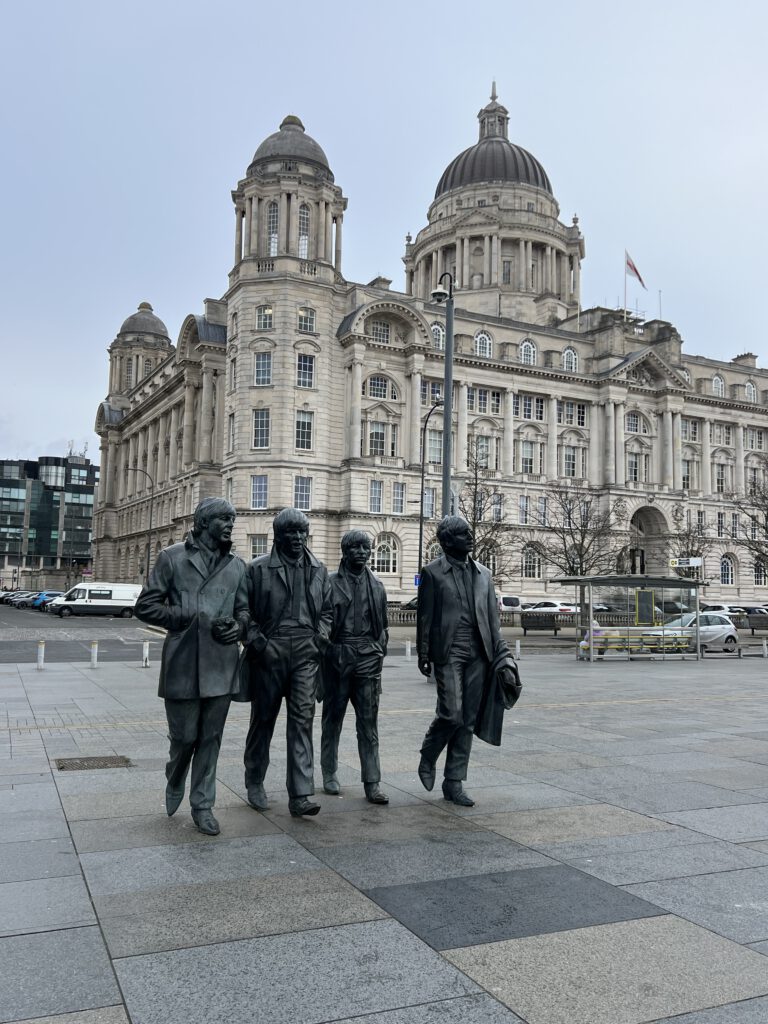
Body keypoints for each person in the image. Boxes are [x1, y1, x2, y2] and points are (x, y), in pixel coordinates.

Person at [134, 497, 248, 836]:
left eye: (232, 519)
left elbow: (245, 611)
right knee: (184, 738)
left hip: (222, 662)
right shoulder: (172, 558)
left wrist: (239, 627)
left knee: (211, 738)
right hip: (183, 661)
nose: (230, 525)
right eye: (224, 519)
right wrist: (180, 616)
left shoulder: (238, 566)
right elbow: (146, 606)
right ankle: (176, 775)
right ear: (203, 522)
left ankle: (203, 805)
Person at [243, 508, 333, 817]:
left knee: (302, 722)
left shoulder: (319, 569)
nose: (297, 538)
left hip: (306, 654)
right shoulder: (257, 569)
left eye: (301, 531)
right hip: (270, 651)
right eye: (290, 532)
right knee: (263, 721)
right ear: (278, 535)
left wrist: (320, 636)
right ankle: (254, 781)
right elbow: (243, 612)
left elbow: (328, 612)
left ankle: (301, 794)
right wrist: (258, 643)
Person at [416, 515, 511, 806]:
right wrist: (423, 653)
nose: (469, 537)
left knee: (468, 719)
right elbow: (426, 617)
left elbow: (493, 620)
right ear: (446, 542)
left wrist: (501, 655)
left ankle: (454, 781)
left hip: (479, 652)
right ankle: (429, 754)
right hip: (449, 651)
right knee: (451, 713)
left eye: (469, 532)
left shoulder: (484, 573)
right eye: (461, 534)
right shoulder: (432, 573)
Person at [321, 530, 389, 805]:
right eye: (356, 547)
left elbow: (383, 626)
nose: (361, 552)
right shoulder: (329, 583)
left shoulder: (377, 585)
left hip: (367, 658)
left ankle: (372, 782)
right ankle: (329, 772)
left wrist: (377, 651)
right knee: (332, 720)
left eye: (366, 547)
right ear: (345, 551)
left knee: (368, 724)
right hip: (338, 656)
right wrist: (329, 651)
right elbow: (322, 621)